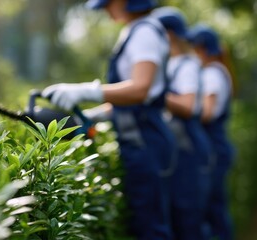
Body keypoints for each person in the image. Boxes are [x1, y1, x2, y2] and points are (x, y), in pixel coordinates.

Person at [41, 0, 177, 239]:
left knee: (151, 226)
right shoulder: (138, 30)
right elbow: (132, 103)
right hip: (140, 137)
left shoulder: (144, 32)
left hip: (146, 140)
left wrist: (87, 91)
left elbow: (141, 89)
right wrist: (94, 115)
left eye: (108, 4)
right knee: (146, 220)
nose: (106, 9)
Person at [152, 7, 213, 240]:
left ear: (169, 34)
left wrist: (152, 93)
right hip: (177, 149)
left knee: (189, 220)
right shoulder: (168, 64)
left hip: (189, 151)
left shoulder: (187, 65)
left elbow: (188, 106)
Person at [187, 24, 236, 240]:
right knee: (216, 209)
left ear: (202, 49)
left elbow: (206, 112)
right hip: (218, 146)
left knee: (212, 211)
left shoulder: (212, 74)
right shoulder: (219, 71)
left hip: (213, 149)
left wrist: (182, 106)